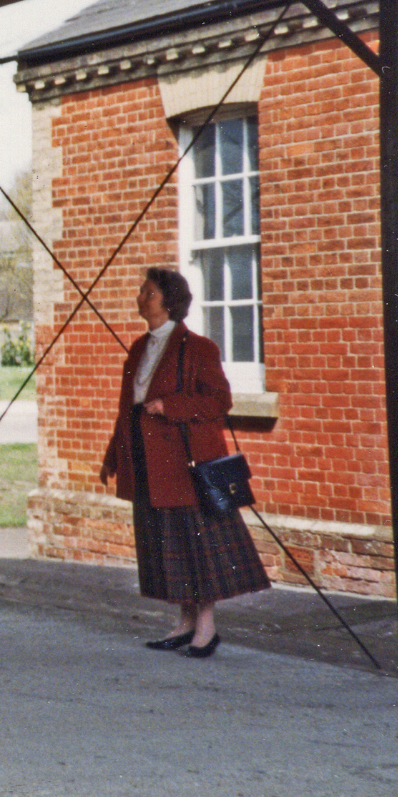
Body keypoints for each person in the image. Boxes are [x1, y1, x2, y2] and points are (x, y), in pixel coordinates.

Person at [100, 267, 269, 659]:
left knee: (196, 545)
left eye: (149, 291)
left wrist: (171, 405)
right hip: (147, 461)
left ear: (169, 301)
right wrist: (113, 454)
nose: (141, 296)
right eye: (142, 290)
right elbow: (127, 409)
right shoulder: (139, 347)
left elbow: (219, 401)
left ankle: (206, 628)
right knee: (166, 543)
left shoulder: (198, 348)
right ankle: (185, 622)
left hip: (184, 463)